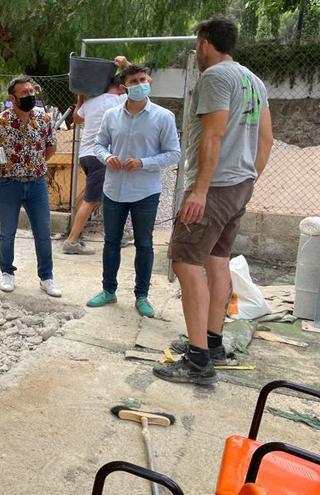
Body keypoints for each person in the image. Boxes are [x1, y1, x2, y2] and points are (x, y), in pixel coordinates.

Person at [154, 16, 273, 385]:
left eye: (196, 44)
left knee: (186, 263)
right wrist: (248, 177)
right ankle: (212, 341)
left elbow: (213, 137)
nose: (196, 51)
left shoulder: (216, 77)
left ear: (205, 43)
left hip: (215, 187)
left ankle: (197, 361)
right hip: (238, 185)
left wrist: (201, 191)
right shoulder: (253, 81)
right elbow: (266, 139)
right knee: (217, 261)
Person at [89, 65, 181, 317]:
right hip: (113, 189)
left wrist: (143, 162)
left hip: (145, 191)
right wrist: (107, 157)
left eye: (143, 79)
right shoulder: (111, 115)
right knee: (111, 242)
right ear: (124, 86)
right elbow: (98, 144)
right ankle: (108, 290)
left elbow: (174, 153)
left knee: (144, 244)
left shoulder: (164, 117)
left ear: (149, 81)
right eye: (133, 80)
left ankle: (142, 296)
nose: (140, 83)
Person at [0, 76, 62, 297]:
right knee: (7, 232)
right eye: (24, 93)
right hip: (9, 184)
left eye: (31, 91)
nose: (29, 96)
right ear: (12, 97)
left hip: (37, 184)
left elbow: (51, 147)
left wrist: (35, 165)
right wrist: (1, 170)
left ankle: (46, 277)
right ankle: (7, 273)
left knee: (43, 231)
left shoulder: (44, 119)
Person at [63, 72, 127, 255]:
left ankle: (116, 235)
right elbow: (146, 84)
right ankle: (72, 241)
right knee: (91, 200)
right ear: (122, 86)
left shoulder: (92, 102)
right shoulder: (120, 100)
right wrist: (125, 65)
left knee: (109, 197)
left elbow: (77, 118)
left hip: (86, 155)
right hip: (100, 156)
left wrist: (80, 98)